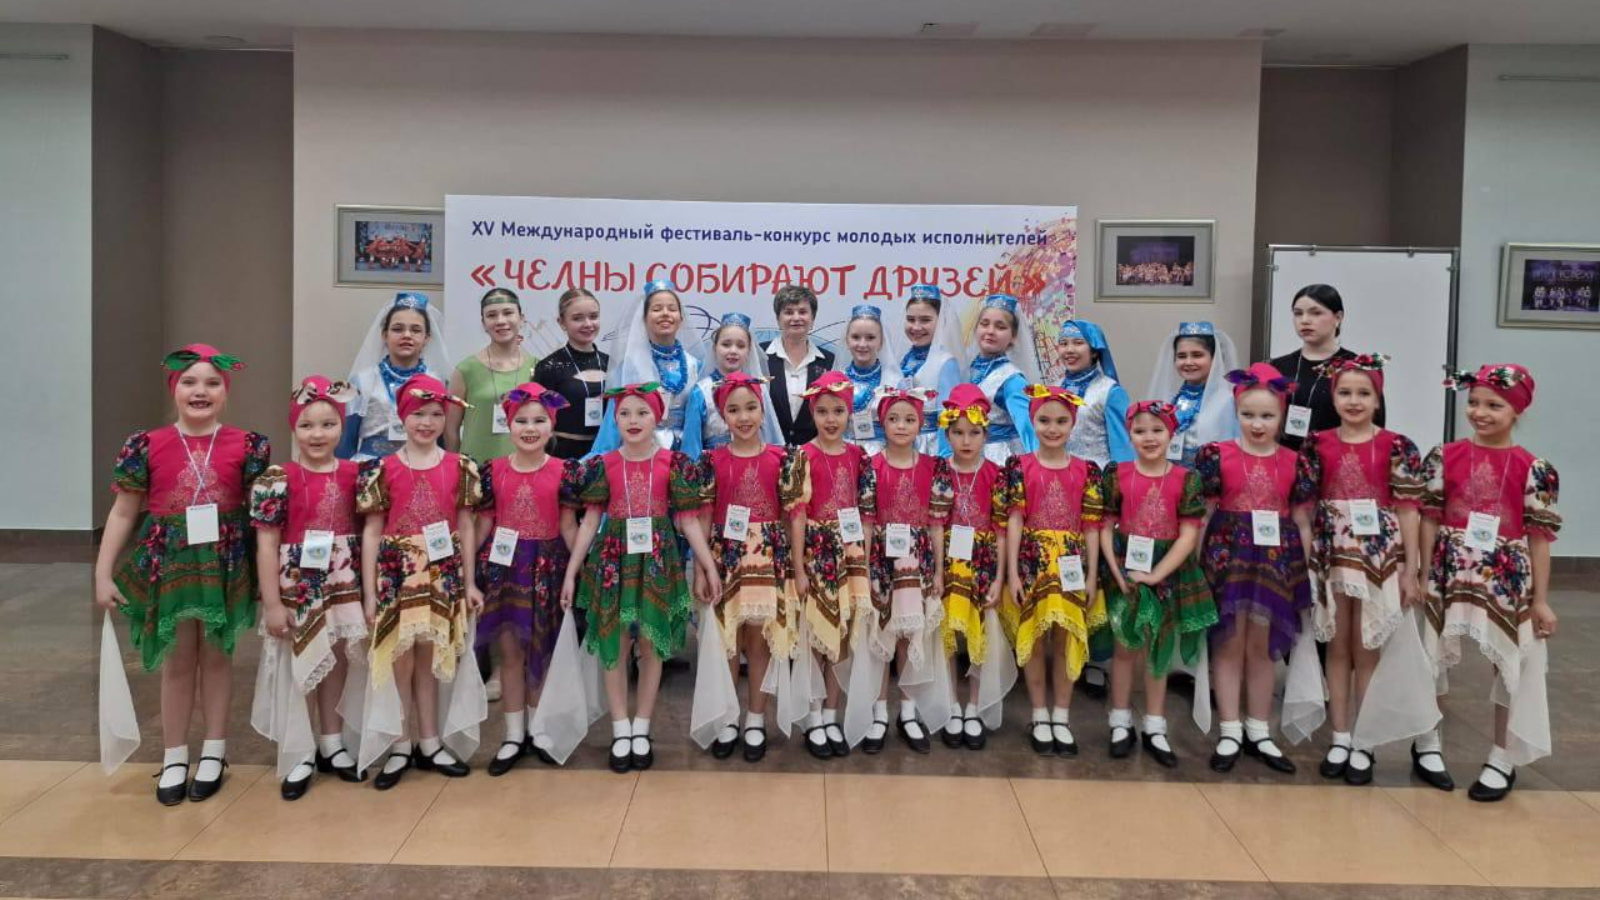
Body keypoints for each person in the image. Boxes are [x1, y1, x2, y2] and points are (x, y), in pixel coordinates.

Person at [95, 345, 270, 805]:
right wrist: (102, 572)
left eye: (212, 383)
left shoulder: (247, 445)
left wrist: (270, 575)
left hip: (223, 563)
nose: (200, 391)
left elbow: (263, 515)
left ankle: (214, 750)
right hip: (170, 564)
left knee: (217, 656)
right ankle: (174, 754)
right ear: (174, 388)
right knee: (177, 659)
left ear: (225, 392)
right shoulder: (147, 445)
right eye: (189, 382)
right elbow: (123, 512)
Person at [1416, 364, 1560, 802]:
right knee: (1433, 656)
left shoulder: (1534, 468)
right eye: (1474, 403)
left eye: (1494, 405)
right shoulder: (1445, 456)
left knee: (1508, 662)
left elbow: (1539, 539)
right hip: (1448, 569)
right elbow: (1429, 518)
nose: (1480, 412)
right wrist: (1423, 573)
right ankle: (1427, 741)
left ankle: (1502, 754)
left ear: (1517, 411)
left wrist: (1540, 600)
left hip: (1506, 576)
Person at [561, 383, 721, 774]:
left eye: (642, 413)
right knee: (616, 641)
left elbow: (688, 521)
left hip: (657, 563)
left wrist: (709, 566)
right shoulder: (603, 465)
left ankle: (642, 725)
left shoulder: (673, 463)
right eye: (625, 414)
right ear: (615, 419)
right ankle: (620, 726)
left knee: (651, 643)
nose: (633, 421)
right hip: (613, 563)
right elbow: (590, 522)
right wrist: (572, 571)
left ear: (657, 417)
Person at [1298, 355, 1429, 786]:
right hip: (1333, 553)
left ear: (1377, 398)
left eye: (1363, 393)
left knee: (1366, 646)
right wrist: (1307, 560)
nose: (1354, 401)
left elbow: (1408, 509)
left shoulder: (1397, 445)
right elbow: (1305, 508)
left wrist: (1411, 569)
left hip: (1378, 556)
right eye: (1345, 392)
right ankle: (1339, 735)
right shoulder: (1317, 444)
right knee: (1337, 645)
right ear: (1333, 397)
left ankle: (1364, 739)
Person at [355, 374, 483, 789]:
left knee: (429, 657)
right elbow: (372, 531)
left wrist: (469, 582)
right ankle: (400, 743)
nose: (426, 423)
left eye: (434, 414)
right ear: (402, 416)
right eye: (417, 414)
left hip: (442, 573)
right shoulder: (383, 469)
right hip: (397, 574)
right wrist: (370, 592)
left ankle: (429, 740)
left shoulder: (459, 466)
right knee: (400, 658)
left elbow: (466, 524)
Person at [1195, 363, 1317, 776]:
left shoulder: (1295, 462)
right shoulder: (1217, 456)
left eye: (1267, 415)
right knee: (1229, 642)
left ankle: (1259, 729)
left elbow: (1302, 521)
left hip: (1274, 564)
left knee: (1262, 647)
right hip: (1227, 561)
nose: (1257, 424)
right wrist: (1197, 566)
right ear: (1237, 413)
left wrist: (1303, 573)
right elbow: (1204, 513)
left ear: (1282, 415)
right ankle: (1230, 729)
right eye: (1248, 415)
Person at [250, 376, 367, 800]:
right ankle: (299, 749)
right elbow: (266, 544)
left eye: (328, 424)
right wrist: (272, 603)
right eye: (307, 425)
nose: (318, 434)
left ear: (342, 427)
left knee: (336, 658)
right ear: (293, 427)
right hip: (297, 584)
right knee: (299, 662)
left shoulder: (357, 474)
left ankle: (331, 741)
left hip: (342, 580)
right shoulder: (276, 478)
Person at [1098, 401, 1216, 768]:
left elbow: (1188, 534)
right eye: (1140, 431)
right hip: (1125, 568)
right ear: (1129, 435)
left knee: (1158, 647)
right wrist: (1117, 571)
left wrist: (1157, 574)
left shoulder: (1185, 478)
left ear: (1171, 433)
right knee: (1124, 646)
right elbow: (1105, 525)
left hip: (1167, 570)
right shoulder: (1117, 474)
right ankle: (1120, 720)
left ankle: (1154, 724)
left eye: (1157, 430)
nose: (1149, 438)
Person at [473, 383, 582, 775]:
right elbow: (484, 523)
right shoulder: (493, 472)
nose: (530, 428)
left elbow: (568, 525)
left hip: (547, 569)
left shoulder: (564, 471)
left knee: (542, 651)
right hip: (504, 570)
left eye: (539, 420)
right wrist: (466, 571)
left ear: (551, 426)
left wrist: (576, 572)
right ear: (509, 424)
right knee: (510, 652)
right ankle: (512, 734)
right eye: (521, 421)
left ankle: (538, 729)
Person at [694, 372, 796, 763]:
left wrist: (791, 564)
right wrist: (702, 569)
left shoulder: (782, 459)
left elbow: (789, 516)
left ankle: (755, 718)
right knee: (726, 642)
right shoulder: (711, 460)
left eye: (751, 407)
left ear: (762, 410)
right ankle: (727, 717)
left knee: (759, 641)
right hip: (725, 559)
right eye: (734, 410)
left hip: (767, 558)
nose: (744, 417)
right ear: (723, 416)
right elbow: (704, 517)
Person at [780, 371, 876, 760]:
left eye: (838, 411)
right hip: (816, 554)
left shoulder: (858, 456)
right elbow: (796, 515)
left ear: (849, 412)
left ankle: (833, 713)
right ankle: (814, 715)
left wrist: (864, 560)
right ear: (812, 413)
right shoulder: (802, 456)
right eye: (822, 412)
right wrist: (799, 567)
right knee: (816, 635)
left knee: (843, 637)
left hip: (850, 556)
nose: (831, 419)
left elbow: (866, 513)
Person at [1006, 385, 1103, 758]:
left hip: (1072, 565)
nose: (1052, 428)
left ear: (1073, 423)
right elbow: (1014, 520)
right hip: (1032, 563)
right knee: (1034, 640)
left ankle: (1061, 714)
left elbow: (1092, 526)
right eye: (1044, 420)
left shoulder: (1086, 470)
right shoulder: (1020, 466)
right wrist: (1013, 573)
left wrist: (1091, 576)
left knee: (1065, 639)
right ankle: (1039, 713)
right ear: (1033, 421)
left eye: (1061, 421)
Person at [856, 387, 953, 754]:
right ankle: (879, 712)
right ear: (882, 422)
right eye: (894, 419)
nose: (901, 425)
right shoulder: (871, 466)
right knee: (882, 636)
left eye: (909, 419)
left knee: (912, 636)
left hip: (919, 562)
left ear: (920, 424)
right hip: (882, 563)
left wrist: (939, 571)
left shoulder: (933, 467)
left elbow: (936, 524)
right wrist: (864, 567)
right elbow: (867, 521)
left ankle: (908, 712)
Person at [934, 384, 1015, 751]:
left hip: (984, 562)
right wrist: (937, 571)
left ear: (986, 434)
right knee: (948, 634)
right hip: (950, 560)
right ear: (947, 433)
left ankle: (975, 705)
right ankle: (951, 703)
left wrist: (999, 577)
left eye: (974, 433)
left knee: (981, 635)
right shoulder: (940, 472)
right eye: (958, 433)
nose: (966, 441)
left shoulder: (997, 475)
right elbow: (936, 524)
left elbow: (1002, 529)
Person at [590, 280, 704, 455]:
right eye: (657, 309)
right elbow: (613, 422)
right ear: (644, 319)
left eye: (672, 309)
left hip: (686, 453)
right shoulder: (631, 367)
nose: (665, 314)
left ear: (681, 318)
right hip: (642, 452)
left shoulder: (695, 366)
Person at [338, 293, 452, 462]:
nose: (407, 335)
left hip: (421, 465)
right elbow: (347, 439)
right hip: (373, 466)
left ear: (426, 338)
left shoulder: (437, 382)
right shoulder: (363, 380)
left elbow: (442, 440)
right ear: (385, 335)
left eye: (416, 330)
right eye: (398, 329)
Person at [1269, 284, 1385, 452]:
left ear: (1338, 317)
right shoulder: (1276, 367)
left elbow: (1375, 427)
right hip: (1284, 461)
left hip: (1340, 459)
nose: (1305, 320)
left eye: (1315, 313)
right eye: (1298, 313)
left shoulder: (1358, 367)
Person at [446, 287, 539, 463]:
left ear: (521, 318)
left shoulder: (537, 368)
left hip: (525, 468)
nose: (500, 321)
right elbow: (450, 430)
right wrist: (453, 468)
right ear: (483, 323)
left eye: (508, 313)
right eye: (491, 315)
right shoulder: (466, 370)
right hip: (475, 469)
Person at [680, 312, 785, 459]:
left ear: (749, 351)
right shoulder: (701, 392)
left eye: (741, 346)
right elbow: (691, 447)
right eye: (726, 344)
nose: (733, 351)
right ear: (715, 348)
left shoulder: (757, 387)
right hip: (713, 468)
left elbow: (769, 437)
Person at [1145, 321, 1241, 468]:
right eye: (1181, 356)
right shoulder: (1171, 399)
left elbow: (1231, 451)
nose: (1188, 362)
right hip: (1169, 474)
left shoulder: (1225, 400)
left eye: (1197, 355)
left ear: (1214, 358)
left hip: (1207, 477)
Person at [958, 294, 1038, 464]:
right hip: (965, 456)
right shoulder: (967, 369)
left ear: (1013, 336)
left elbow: (1028, 428)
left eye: (1000, 327)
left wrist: (1039, 468)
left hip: (997, 458)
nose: (990, 331)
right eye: (984, 324)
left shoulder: (1011, 379)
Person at [532, 288, 610, 460]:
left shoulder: (611, 364)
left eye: (593, 316)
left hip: (606, 454)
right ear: (562, 323)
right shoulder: (548, 367)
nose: (588, 324)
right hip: (563, 457)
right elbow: (538, 419)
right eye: (577, 318)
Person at [764, 284, 836, 446]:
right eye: (788, 312)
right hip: (768, 451)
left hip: (815, 453)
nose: (796, 318)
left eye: (803, 312)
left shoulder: (829, 361)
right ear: (778, 319)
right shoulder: (760, 356)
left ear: (812, 319)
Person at [1057, 319, 1134, 468]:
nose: (1069, 350)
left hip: (1096, 477)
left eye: (1078, 343)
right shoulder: (1053, 388)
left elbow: (1122, 448)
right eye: (1063, 343)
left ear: (1093, 351)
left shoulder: (1110, 391)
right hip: (1059, 475)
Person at [899, 284, 965, 454]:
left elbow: (948, 416)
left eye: (925, 320)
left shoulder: (945, 362)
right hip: (901, 447)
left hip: (930, 449)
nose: (916, 327)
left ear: (941, 321)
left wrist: (944, 460)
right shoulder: (905, 359)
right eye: (911, 319)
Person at [837, 304, 903, 457]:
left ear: (881, 341)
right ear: (847, 340)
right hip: (843, 453)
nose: (862, 344)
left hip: (883, 455)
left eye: (870, 338)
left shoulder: (894, 381)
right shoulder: (838, 380)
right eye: (855, 337)